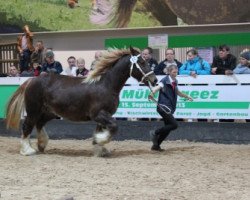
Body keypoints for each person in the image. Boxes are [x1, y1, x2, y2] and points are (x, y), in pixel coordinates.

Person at [149, 65, 193, 151]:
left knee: (168, 128)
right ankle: (155, 132)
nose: (175, 74)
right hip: (163, 107)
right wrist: (152, 93)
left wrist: (187, 96)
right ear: (169, 72)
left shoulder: (175, 81)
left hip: (169, 107)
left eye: (176, 72)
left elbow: (177, 92)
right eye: (173, 72)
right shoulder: (165, 80)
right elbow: (157, 87)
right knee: (174, 125)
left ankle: (156, 146)